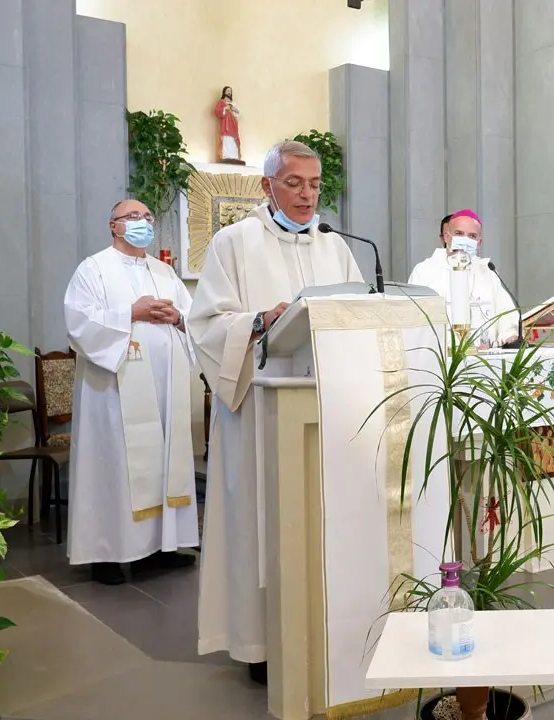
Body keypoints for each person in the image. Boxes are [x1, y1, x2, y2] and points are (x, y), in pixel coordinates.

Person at [187, 140, 363, 685]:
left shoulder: (334, 245)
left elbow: (359, 309)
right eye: (294, 183)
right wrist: (262, 319)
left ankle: (325, 624)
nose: (307, 195)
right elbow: (207, 323)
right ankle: (260, 641)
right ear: (267, 187)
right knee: (260, 523)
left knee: (319, 516)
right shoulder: (233, 242)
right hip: (259, 410)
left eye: (314, 184)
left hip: (323, 406)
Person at [63, 199, 199, 586]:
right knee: (115, 466)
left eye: (147, 217)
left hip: (164, 390)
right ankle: (107, 553)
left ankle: (157, 550)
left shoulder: (165, 272)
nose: (142, 223)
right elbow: (78, 322)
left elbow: (193, 318)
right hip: (113, 392)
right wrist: (130, 313)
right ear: (114, 226)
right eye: (133, 217)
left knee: (162, 464)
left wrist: (179, 318)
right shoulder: (93, 269)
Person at [407, 209, 518, 347]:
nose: (465, 240)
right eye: (459, 234)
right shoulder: (424, 271)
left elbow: (505, 311)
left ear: (479, 242)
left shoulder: (487, 270)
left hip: (485, 354)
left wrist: (509, 335)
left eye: (472, 236)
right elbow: (414, 316)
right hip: (442, 356)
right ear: (447, 237)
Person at [214, 86, 242, 163]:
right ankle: (226, 156)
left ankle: (234, 156)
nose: (229, 92)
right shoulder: (221, 102)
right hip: (226, 124)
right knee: (226, 139)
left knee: (233, 140)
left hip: (233, 124)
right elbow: (216, 111)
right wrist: (224, 108)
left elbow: (238, 113)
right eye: (228, 91)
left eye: (230, 91)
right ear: (224, 92)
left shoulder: (233, 103)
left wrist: (234, 109)